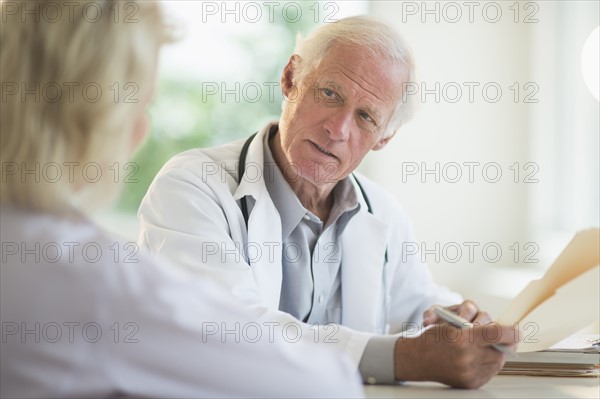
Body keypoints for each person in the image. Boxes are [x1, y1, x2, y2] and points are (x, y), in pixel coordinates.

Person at [0, 2, 364, 397]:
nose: (142, 126)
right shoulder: (89, 282)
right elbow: (326, 385)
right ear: (103, 115)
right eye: (142, 104)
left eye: (366, 116)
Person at [138, 15, 519, 389]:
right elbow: (229, 331)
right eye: (330, 93)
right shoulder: (191, 186)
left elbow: (418, 308)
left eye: (366, 116)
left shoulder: (383, 213)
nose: (337, 129)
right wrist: (404, 359)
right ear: (291, 78)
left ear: (384, 137)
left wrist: (462, 327)